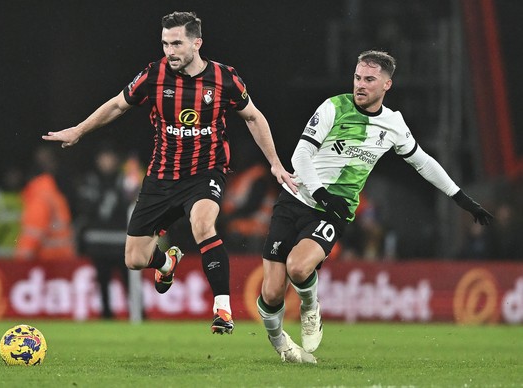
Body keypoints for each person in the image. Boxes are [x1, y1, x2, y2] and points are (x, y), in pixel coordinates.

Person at [42, 11, 296, 334]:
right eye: (165, 43)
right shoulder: (154, 75)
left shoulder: (224, 79)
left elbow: (253, 118)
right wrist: (79, 130)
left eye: (176, 43)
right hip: (161, 177)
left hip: (205, 173)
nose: (169, 51)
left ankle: (222, 309)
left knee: (203, 224)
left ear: (197, 43)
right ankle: (166, 262)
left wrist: (274, 161)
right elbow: (118, 105)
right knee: (134, 258)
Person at [256, 50, 494, 363]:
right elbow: (300, 156)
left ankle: (311, 307)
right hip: (296, 198)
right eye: (357, 77)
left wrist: (463, 199)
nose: (360, 85)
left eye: (369, 79)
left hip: (333, 210)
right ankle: (282, 345)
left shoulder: (393, 124)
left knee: (299, 267)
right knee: (272, 293)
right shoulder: (334, 107)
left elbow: (423, 162)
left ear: (386, 85)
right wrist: (322, 192)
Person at [75, 145, 133, 319]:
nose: (107, 162)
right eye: (103, 158)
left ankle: (139, 314)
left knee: (131, 283)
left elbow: (133, 205)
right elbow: (84, 208)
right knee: (103, 283)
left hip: (122, 242)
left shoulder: (126, 180)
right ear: (98, 161)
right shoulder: (90, 181)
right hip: (99, 244)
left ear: (116, 160)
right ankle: (106, 315)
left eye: (110, 158)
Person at [15, 146, 76, 261]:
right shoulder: (55, 194)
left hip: (47, 262)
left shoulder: (38, 198)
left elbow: (32, 235)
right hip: (63, 260)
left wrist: (19, 265)